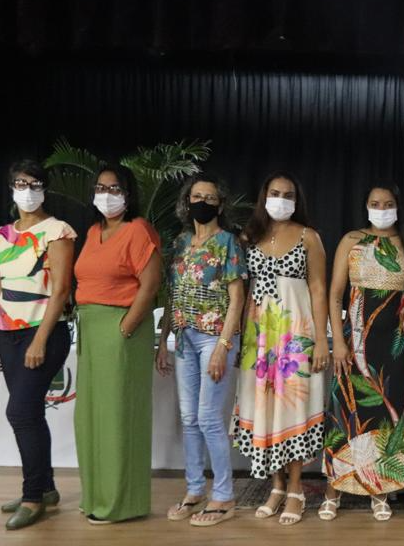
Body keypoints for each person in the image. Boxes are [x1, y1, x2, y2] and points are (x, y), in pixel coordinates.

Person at [232, 171, 329, 526]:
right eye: (275, 193)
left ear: (297, 200)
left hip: (295, 336)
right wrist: (242, 337)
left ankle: (296, 488)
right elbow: (242, 290)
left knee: (293, 408)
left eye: (288, 194)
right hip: (259, 338)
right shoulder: (249, 236)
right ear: (264, 196)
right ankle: (275, 485)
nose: (282, 199)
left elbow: (318, 289)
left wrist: (321, 339)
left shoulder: (309, 237)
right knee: (264, 409)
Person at [321, 183, 404, 522]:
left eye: (388, 203)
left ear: (398, 206)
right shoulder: (351, 241)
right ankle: (333, 488)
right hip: (355, 343)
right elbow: (335, 296)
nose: (382, 208)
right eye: (375, 203)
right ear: (366, 206)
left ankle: (381, 490)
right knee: (345, 411)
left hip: (396, 344)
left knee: (387, 418)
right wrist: (338, 342)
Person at [155, 175, 247, 526]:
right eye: (197, 196)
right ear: (187, 201)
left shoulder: (228, 243)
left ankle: (223, 497)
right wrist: (164, 340)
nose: (203, 202)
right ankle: (195, 490)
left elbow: (237, 298)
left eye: (210, 197)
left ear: (220, 205)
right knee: (190, 418)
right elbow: (173, 295)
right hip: (184, 337)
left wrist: (224, 346)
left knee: (209, 418)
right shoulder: (179, 243)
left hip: (215, 338)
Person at [73, 165, 162, 524]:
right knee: (91, 419)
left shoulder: (137, 230)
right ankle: (94, 495)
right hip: (91, 331)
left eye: (114, 188)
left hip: (120, 328)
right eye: (100, 187)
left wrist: (124, 329)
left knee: (117, 419)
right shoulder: (94, 231)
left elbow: (151, 283)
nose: (105, 194)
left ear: (128, 194)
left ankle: (120, 503)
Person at [0, 161, 76, 530]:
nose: (26, 189)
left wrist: (40, 339)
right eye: (19, 183)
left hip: (43, 332)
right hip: (8, 333)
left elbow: (60, 290)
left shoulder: (57, 231)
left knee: (21, 414)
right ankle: (45, 488)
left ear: (45, 188)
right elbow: (1, 288)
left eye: (33, 183)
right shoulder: (2, 234)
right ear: (10, 188)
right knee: (30, 415)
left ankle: (31, 497)